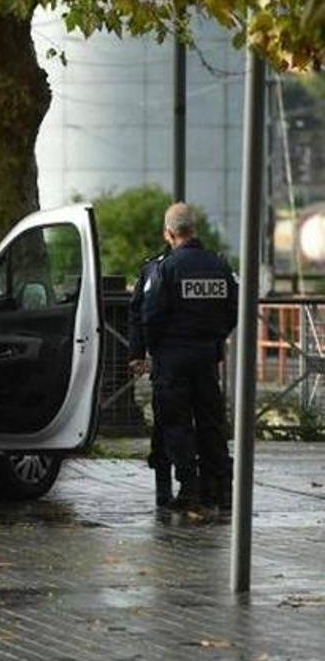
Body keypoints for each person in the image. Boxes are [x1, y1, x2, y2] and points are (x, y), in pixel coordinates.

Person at [142, 203, 238, 511]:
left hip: (173, 357)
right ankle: (222, 490)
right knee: (211, 422)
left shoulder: (167, 268)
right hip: (207, 356)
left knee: (176, 423)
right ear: (194, 230)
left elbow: (152, 314)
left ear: (169, 233)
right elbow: (234, 310)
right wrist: (215, 338)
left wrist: (154, 348)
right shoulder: (219, 265)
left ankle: (190, 488)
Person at [127, 250, 173, 507]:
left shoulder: (156, 269)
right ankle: (211, 491)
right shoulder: (215, 265)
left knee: (166, 423)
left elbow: (143, 313)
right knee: (206, 425)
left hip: (168, 360)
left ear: (169, 233)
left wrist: (142, 351)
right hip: (204, 361)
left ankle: (165, 491)